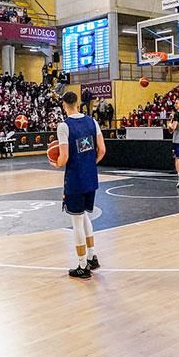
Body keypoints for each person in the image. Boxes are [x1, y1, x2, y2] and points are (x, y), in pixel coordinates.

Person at [50, 91, 106, 280]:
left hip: (75, 179)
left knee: (76, 222)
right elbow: (102, 149)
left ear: (64, 105)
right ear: (78, 103)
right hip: (91, 177)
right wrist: (91, 163)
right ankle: (92, 257)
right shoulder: (92, 121)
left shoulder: (64, 126)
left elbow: (64, 157)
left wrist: (56, 163)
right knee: (84, 217)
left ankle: (83, 266)